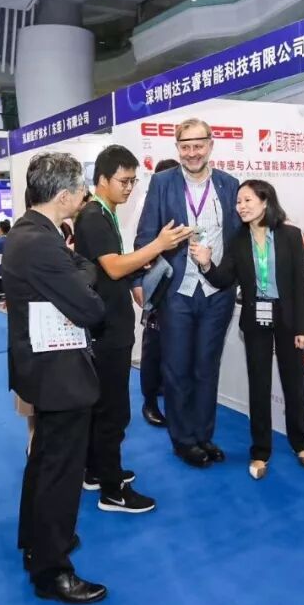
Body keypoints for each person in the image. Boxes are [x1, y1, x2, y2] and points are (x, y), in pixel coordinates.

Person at [4, 152, 108, 604]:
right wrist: (81, 272)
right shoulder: (42, 244)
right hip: (58, 375)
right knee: (60, 472)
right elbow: (90, 308)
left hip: (44, 371)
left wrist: (78, 271)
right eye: (81, 190)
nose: (84, 197)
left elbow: (80, 275)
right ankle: (52, 569)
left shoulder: (30, 233)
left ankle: (38, 541)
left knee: (45, 461)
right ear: (64, 195)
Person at [74, 145, 193, 512]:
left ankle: (96, 471)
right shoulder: (94, 216)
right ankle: (112, 490)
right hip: (106, 328)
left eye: (132, 181)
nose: (128, 188)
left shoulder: (104, 213)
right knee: (113, 410)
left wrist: (139, 273)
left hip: (110, 322)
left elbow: (111, 268)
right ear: (102, 179)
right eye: (123, 181)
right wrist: (158, 245)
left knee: (104, 407)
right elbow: (113, 267)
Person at [134, 117, 241, 468]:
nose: (192, 153)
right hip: (177, 291)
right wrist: (141, 278)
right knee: (177, 367)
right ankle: (183, 441)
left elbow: (236, 240)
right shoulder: (162, 183)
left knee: (207, 367)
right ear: (177, 147)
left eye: (198, 145)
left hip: (217, 292)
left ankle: (203, 436)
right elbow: (144, 237)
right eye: (185, 146)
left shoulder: (229, 184)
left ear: (210, 145)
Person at [190, 180, 304, 481]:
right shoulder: (238, 240)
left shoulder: (290, 235)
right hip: (255, 318)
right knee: (258, 386)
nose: (241, 207)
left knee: (294, 384)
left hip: (287, 318)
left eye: (247, 200)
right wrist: (206, 264)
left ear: (265, 201)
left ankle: (300, 444)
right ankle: (260, 451)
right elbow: (223, 279)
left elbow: (300, 284)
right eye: (238, 202)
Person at [138, 157, 180, 427]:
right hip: (158, 291)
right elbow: (140, 249)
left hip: (184, 292)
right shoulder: (151, 211)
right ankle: (150, 401)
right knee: (153, 348)